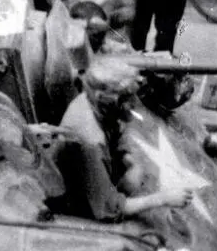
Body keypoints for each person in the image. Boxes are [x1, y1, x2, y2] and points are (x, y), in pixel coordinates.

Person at [57, 57, 193, 222]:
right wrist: (162, 199)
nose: (133, 103)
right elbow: (110, 209)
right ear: (105, 98)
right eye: (126, 97)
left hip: (96, 177)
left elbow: (116, 128)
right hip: (82, 204)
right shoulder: (91, 140)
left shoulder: (93, 101)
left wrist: (127, 159)